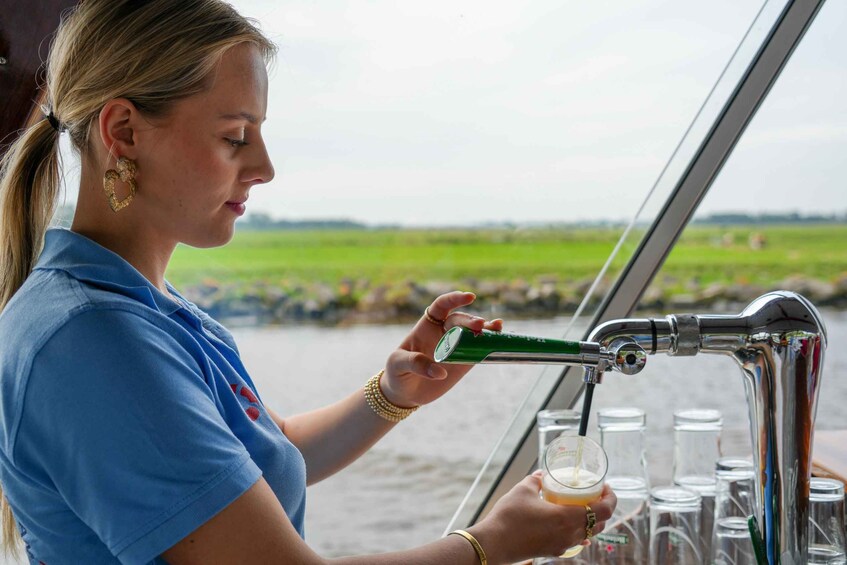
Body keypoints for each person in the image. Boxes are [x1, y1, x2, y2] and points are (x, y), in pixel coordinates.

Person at [0, 1, 616, 563]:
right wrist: (493, 543)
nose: (264, 167)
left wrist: (394, 393)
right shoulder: (93, 340)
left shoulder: (143, 306)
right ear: (124, 132)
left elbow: (265, 455)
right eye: (235, 136)